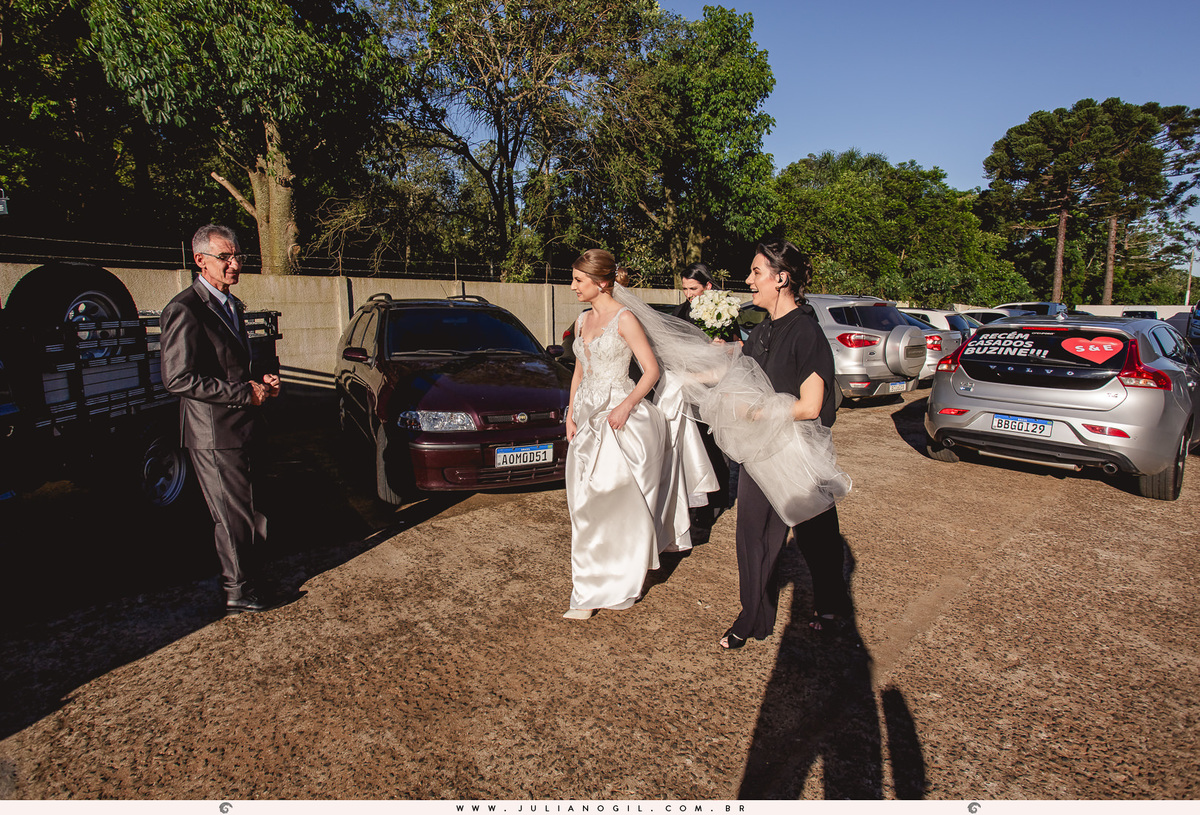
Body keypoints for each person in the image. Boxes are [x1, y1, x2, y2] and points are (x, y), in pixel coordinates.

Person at [719, 240, 851, 649]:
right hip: (759, 451)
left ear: (781, 278)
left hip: (796, 451)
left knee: (817, 537)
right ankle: (753, 617)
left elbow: (810, 406)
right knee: (751, 534)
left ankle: (830, 606)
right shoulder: (760, 331)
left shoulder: (806, 332)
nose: (748, 280)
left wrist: (759, 412)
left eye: (756, 272)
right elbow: (744, 382)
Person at [562, 250, 694, 619]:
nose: (572, 286)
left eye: (579, 280)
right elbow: (579, 371)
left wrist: (626, 406)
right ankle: (593, 584)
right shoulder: (582, 319)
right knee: (583, 504)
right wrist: (570, 412)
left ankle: (601, 587)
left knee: (610, 504)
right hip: (585, 417)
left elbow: (651, 371)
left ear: (602, 282)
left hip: (620, 419)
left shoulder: (625, 318)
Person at [161, 224, 281, 615]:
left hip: (244, 427)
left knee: (253, 510)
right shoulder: (184, 309)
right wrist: (244, 393)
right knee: (232, 517)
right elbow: (178, 378)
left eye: (237, 256)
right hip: (213, 433)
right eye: (224, 257)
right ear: (200, 260)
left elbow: (233, 365)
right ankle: (237, 591)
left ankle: (253, 578)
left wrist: (262, 382)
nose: (235, 264)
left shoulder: (231, 304)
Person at [668, 262, 736, 528]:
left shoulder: (724, 309)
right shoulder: (679, 313)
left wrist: (723, 347)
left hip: (715, 386)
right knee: (694, 444)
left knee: (716, 443)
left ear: (707, 286)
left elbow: (736, 345)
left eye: (693, 288)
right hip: (689, 386)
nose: (688, 294)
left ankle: (718, 498)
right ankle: (698, 502)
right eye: (685, 288)